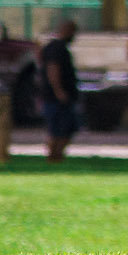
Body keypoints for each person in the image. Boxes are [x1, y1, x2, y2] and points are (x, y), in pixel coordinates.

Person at [38, 17, 82, 164]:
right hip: (56, 97)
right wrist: (59, 91)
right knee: (58, 128)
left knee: (65, 128)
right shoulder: (57, 48)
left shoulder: (56, 47)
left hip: (59, 96)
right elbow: (53, 69)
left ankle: (57, 156)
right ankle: (54, 156)